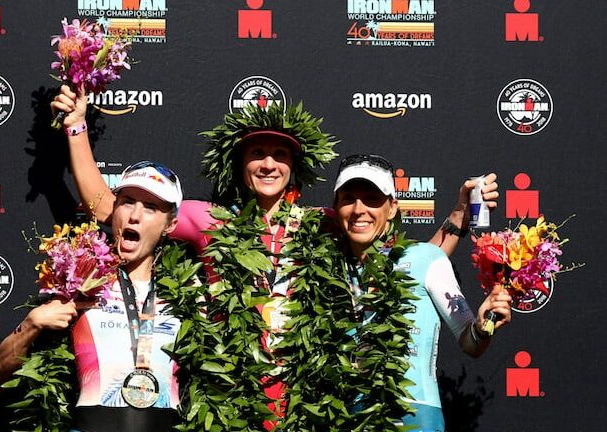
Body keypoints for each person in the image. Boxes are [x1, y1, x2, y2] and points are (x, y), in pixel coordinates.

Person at [50, 85, 499, 429]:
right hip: (233, 398)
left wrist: (459, 213)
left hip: (306, 399)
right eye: (257, 154)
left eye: (280, 154)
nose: (268, 163)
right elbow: (110, 208)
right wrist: (76, 128)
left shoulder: (325, 221)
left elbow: (406, 259)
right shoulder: (209, 221)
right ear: (240, 166)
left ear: (293, 169)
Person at [0, 161, 185, 432]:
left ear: (170, 224)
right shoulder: (79, 283)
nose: (135, 216)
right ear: (114, 209)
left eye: (151, 207)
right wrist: (32, 324)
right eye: (127, 202)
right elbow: (1, 369)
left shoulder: (190, 296)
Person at [332, 154, 512, 432]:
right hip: (344, 416)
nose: (359, 209)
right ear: (335, 207)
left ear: (392, 208)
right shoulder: (324, 270)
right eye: (348, 198)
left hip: (413, 415)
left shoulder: (426, 258)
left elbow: (471, 341)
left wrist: (484, 326)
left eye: (372, 198)